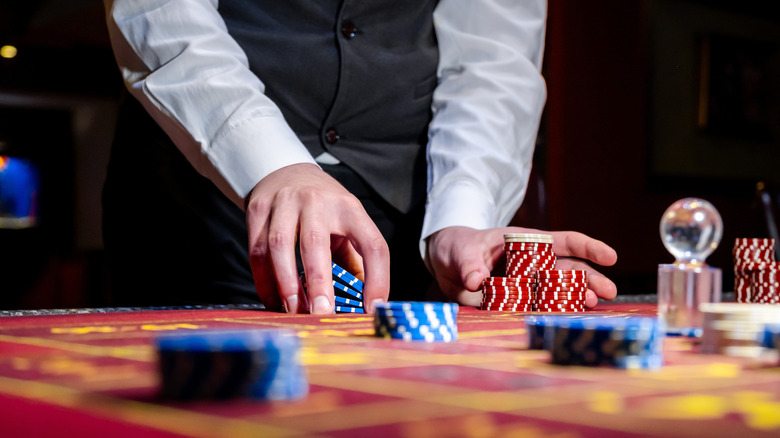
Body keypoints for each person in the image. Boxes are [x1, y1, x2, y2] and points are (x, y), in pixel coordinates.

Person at [101, 0, 618, 313]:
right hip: (200, 195)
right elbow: (160, 12)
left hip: (405, 208)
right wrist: (273, 164)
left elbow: (494, 57)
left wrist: (460, 219)